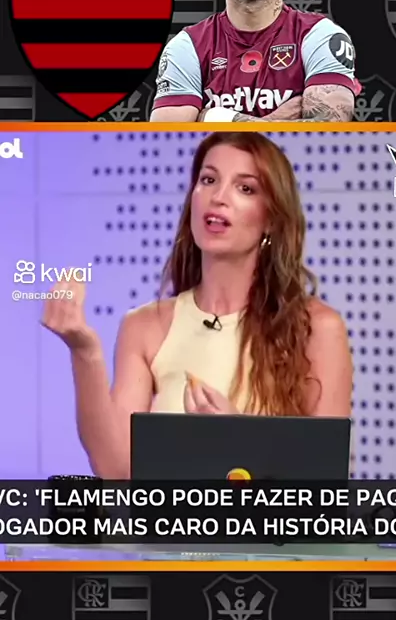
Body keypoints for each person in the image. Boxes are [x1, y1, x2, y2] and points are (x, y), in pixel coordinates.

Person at [41, 132, 353, 479]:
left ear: (271, 219)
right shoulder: (145, 326)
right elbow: (116, 470)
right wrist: (85, 353)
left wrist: (240, 440)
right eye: (208, 180)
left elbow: (325, 485)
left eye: (245, 188)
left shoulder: (316, 328)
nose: (218, 197)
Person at [150, 0, 360, 124]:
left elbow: (328, 132)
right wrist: (275, 121)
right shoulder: (187, 46)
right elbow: (168, 140)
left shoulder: (320, 34)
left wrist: (218, 117)